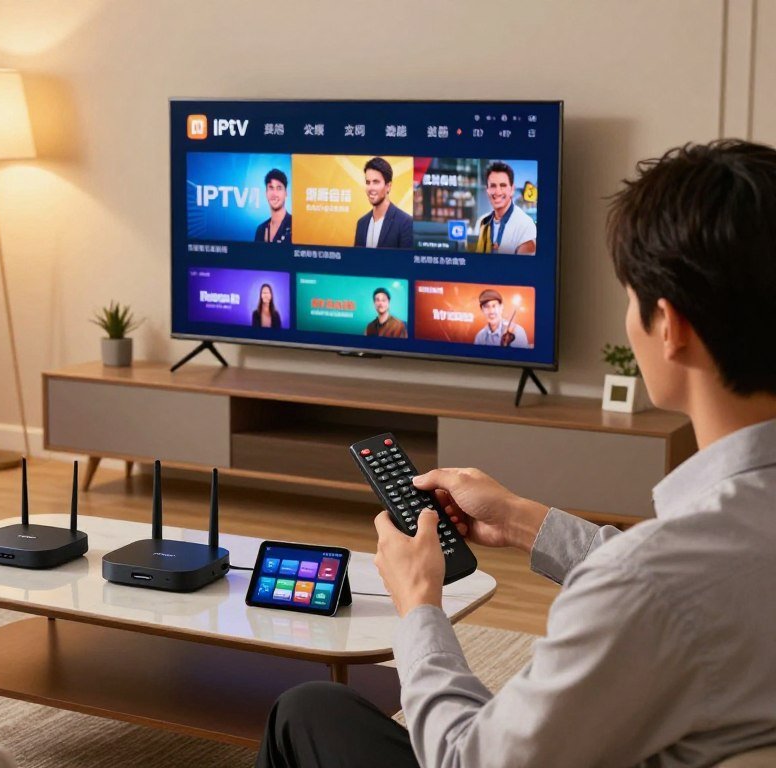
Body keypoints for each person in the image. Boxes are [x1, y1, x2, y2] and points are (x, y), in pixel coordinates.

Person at [257, 140, 776, 767]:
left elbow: (464, 759)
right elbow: (688, 581)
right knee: (316, 708)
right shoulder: (698, 556)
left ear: (671, 326)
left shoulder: (646, 586)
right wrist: (523, 518)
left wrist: (420, 607)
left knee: (302, 712)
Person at [474, 161, 537, 254]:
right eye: (493, 186)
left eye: (503, 185)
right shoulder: (481, 222)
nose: (498, 192)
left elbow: (525, 266)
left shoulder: (525, 225)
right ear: (487, 190)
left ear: (512, 189)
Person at [354, 157, 413, 249]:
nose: (370, 188)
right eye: (368, 182)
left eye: (376, 182)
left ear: (388, 186)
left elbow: (405, 262)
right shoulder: (361, 223)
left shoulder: (405, 223)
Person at [254, 169, 292, 243]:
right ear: (266, 193)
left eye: (279, 188)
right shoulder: (261, 229)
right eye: (271, 188)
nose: (274, 194)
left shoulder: (295, 226)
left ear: (286, 193)